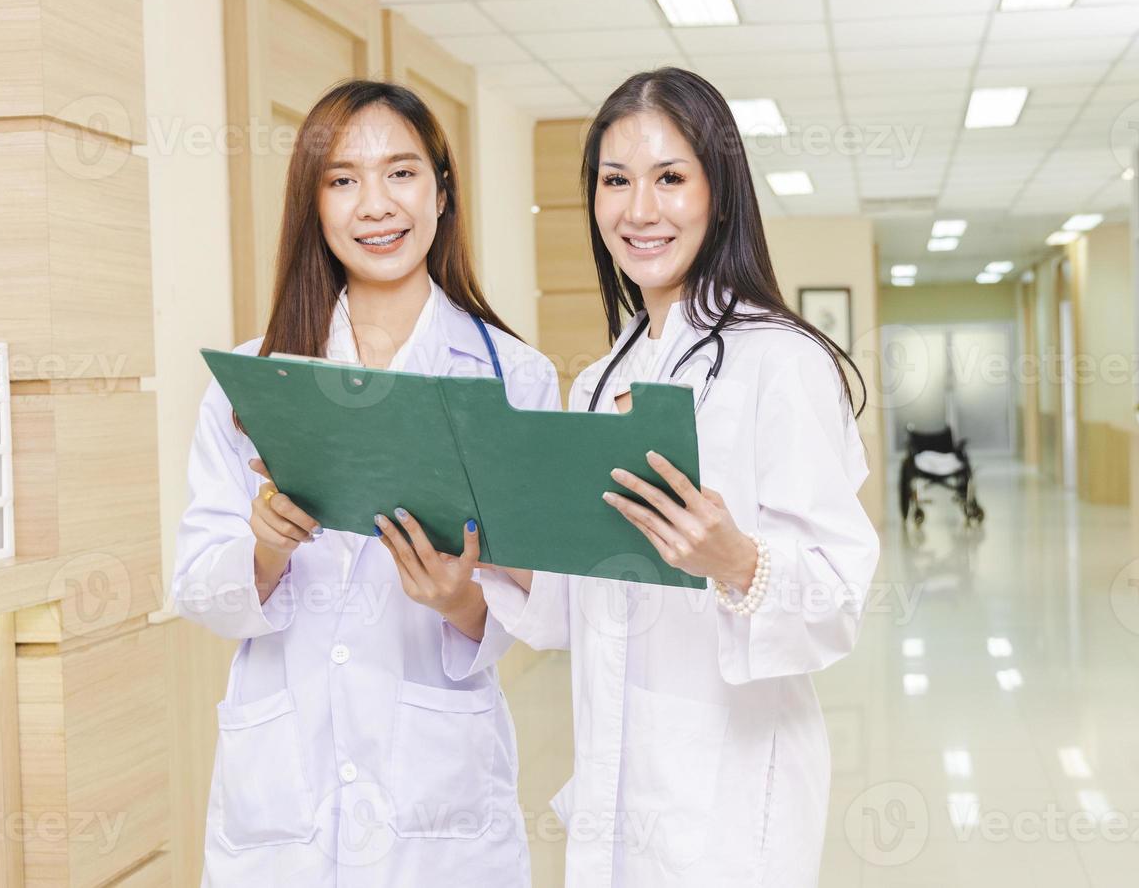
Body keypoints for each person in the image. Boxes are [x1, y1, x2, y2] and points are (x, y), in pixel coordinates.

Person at [480, 67, 880, 887]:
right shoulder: (594, 382)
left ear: (720, 193)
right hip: (618, 785)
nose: (639, 210)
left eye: (670, 178)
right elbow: (577, 604)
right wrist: (481, 540)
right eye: (615, 181)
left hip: (733, 800)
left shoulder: (782, 361)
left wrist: (737, 560)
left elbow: (839, 601)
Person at [173, 79, 557, 886]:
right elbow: (200, 589)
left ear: (443, 193)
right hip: (284, 792)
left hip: (439, 796)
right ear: (313, 205)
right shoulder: (253, 382)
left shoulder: (511, 377)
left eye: (402, 173)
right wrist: (265, 550)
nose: (375, 204)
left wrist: (459, 600)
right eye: (342, 180)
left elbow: (547, 593)